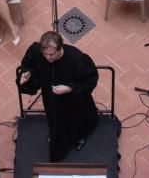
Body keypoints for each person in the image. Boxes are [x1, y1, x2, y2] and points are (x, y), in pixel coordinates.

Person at [18, 31, 99, 161]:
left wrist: (69, 88)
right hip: (51, 98)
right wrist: (26, 74)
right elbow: (27, 64)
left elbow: (90, 80)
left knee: (77, 121)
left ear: (60, 48)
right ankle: (56, 135)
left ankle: (79, 137)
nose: (47, 58)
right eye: (44, 54)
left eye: (51, 54)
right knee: (55, 119)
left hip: (73, 100)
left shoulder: (76, 58)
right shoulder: (36, 51)